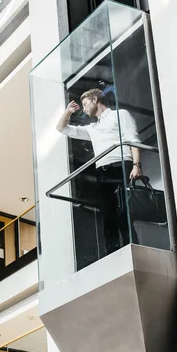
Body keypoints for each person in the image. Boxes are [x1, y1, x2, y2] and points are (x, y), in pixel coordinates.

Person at [56, 88, 142, 254]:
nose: (84, 108)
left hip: (121, 166)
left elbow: (133, 140)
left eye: (86, 104)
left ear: (95, 99)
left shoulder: (120, 114)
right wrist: (68, 112)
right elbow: (62, 128)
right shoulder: (92, 128)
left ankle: (131, 250)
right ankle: (112, 254)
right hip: (102, 173)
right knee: (107, 215)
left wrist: (137, 165)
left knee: (124, 213)